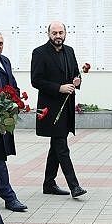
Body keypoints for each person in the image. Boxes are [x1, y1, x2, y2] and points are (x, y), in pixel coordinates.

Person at [31, 21, 86, 198]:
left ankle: (49, 183)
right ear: (48, 34)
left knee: (56, 145)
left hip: (66, 107)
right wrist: (58, 88)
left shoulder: (69, 51)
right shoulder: (39, 53)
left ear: (65, 33)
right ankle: (74, 186)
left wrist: (77, 81)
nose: (58, 36)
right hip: (51, 109)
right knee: (61, 146)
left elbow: (75, 73)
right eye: (54, 33)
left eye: (61, 32)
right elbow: (36, 80)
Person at [0, 32, 27, 212]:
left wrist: (16, 101)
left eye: (0, 43)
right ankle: (8, 196)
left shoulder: (5, 61)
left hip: (5, 116)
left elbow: (13, 84)